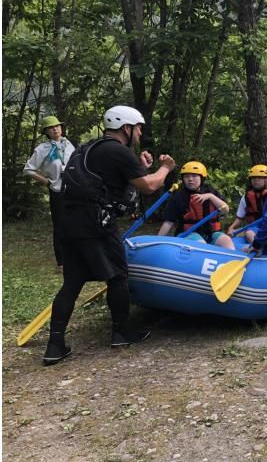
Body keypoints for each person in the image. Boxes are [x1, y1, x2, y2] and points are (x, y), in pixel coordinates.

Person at [44, 105, 176, 365]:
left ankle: (55, 345)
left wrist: (139, 166)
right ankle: (121, 331)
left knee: (71, 283)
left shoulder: (89, 148)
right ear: (126, 128)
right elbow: (149, 186)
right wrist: (165, 169)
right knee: (117, 276)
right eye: (138, 128)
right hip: (96, 225)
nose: (140, 133)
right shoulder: (118, 151)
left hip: (68, 224)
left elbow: (111, 181)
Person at [23, 115, 76, 272]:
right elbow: (28, 169)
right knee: (60, 226)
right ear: (46, 131)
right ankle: (62, 262)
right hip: (57, 191)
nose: (56, 129)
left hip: (73, 190)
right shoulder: (42, 149)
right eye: (51, 127)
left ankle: (76, 258)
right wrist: (46, 181)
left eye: (58, 126)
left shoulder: (68, 144)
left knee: (75, 223)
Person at [157, 161, 235, 249]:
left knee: (226, 240)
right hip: (188, 234)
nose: (190, 179)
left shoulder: (212, 192)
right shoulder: (178, 196)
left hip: (211, 233)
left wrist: (210, 196)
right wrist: (157, 241)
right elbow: (168, 222)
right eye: (186, 176)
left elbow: (225, 210)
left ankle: (234, 261)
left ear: (202, 178)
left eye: (194, 176)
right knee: (200, 244)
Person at [227, 165, 267, 243]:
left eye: (259, 177)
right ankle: (257, 248)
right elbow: (240, 217)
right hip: (254, 227)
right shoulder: (246, 197)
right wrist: (231, 227)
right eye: (253, 178)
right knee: (249, 233)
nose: (256, 180)